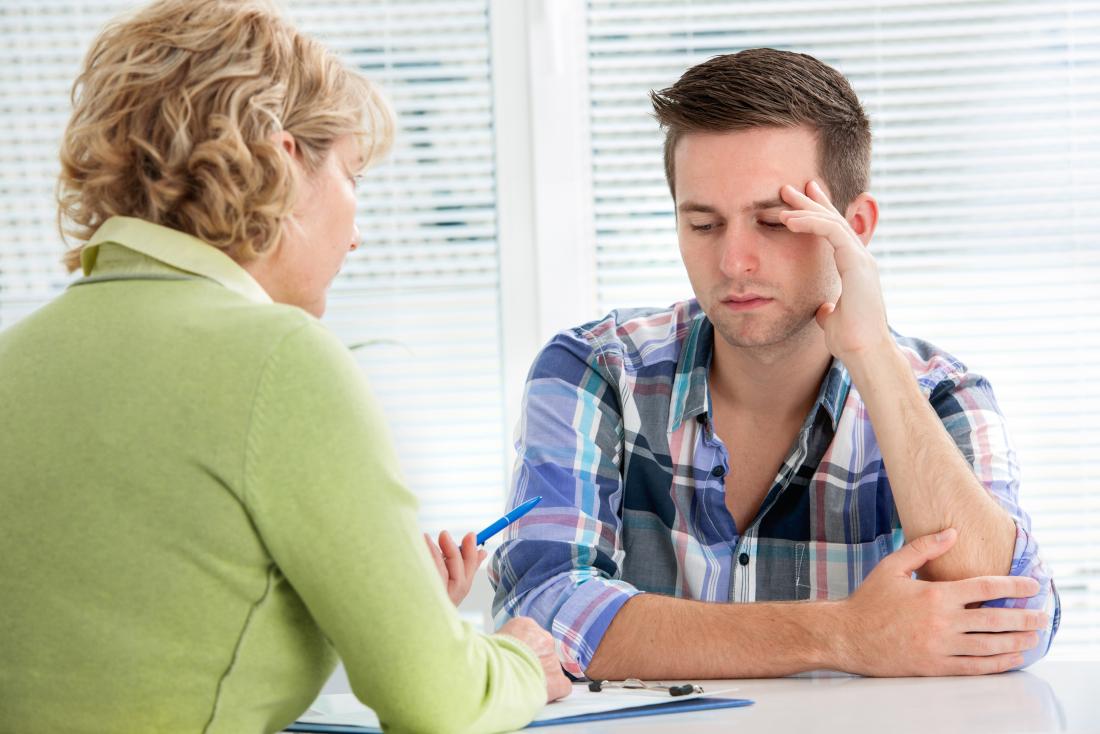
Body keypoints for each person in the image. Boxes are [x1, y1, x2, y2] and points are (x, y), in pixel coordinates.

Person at [0, 1, 569, 732]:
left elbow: (158, 647)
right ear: (280, 157)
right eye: (354, 176)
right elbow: (441, 709)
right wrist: (518, 656)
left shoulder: (17, 357)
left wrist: (398, 606)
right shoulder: (281, 360)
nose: (358, 233)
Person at [490, 48, 1060, 680]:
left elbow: (1011, 615)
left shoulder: (944, 395)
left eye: (773, 221)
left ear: (855, 227)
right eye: (703, 224)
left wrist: (871, 355)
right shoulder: (593, 371)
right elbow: (539, 611)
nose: (734, 262)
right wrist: (844, 634)